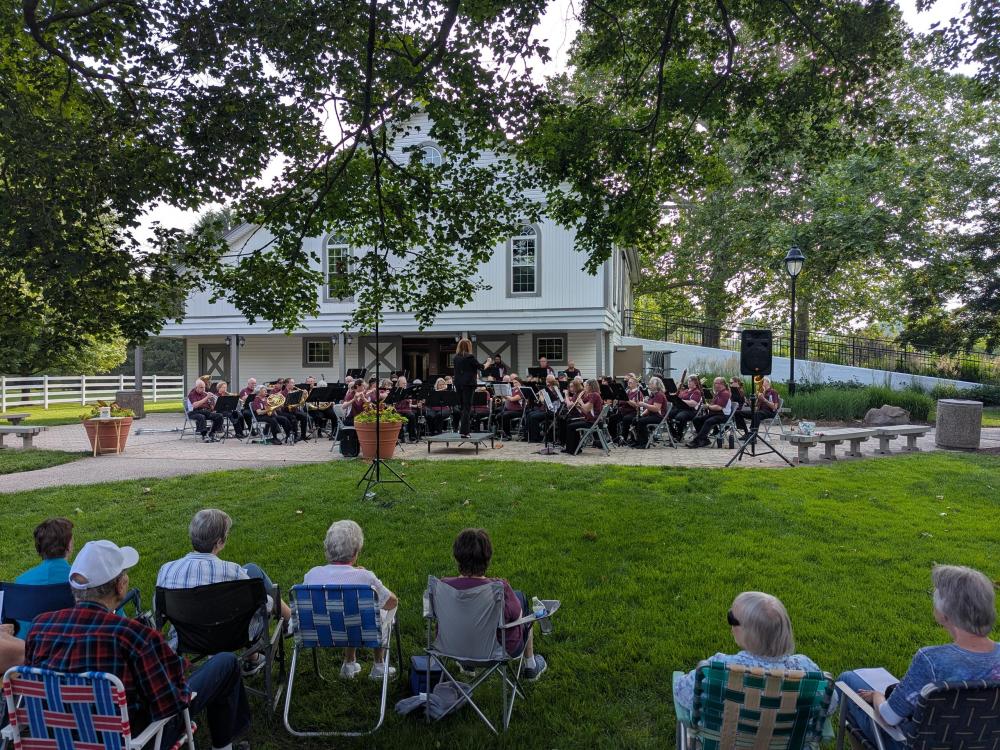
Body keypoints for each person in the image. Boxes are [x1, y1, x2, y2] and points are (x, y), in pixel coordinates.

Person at [26, 540, 250, 750]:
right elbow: (171, 703)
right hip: (133, 741)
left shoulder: (39, 627)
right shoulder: (133, 636)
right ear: (120, 586)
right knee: (225, 662)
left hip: (57, 738)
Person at [838, 565, 1000, 750]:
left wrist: (877, 696)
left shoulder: (931, 660)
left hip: (909, 743)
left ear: (944, 612)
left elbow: (889, 717)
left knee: (847, 680)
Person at [157, 509, 292, 675]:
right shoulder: (233, 572)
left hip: (187, 637)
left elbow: (159, 609)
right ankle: (288, 622)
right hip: (232, 635)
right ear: (220, 542)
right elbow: (265, 605)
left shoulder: (167, 570)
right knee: (253, 582)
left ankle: (255, 657)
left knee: (249, 576)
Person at [673, 592, 834, 719]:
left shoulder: (720, 667)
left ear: (748, 632)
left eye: (731, 618)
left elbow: (682, 692)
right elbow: (831, 704)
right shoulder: (805, 668)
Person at [442, 529, 547, 680]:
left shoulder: (443, 587)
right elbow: (518, 618)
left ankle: (467, 664)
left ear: (457, 556)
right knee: (521, 600)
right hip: (497, 652)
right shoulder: (500, 589)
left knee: (467, 611)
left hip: (452, 648)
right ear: (487, 557)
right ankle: (530, 665)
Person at [302, 520, 398, 680]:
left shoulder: (312, 575)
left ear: (327, 549)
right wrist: (367, 574)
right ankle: (379, 665)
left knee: (342, 609)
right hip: (361, 630)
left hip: (321, 633)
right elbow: (392, 602)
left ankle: (349, 663)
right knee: (376, 610)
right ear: (355, 553)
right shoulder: (365, 577)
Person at [13, 517, 75, 636]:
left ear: (39, 548)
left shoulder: (21, 582)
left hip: (30, 648)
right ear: (69, 545)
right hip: (73, 647)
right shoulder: (82, 580)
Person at [687, 377, 732, 448]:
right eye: (714, 383)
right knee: (696, 419)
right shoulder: (718, 393)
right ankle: (704, 440)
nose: (714, 385)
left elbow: (719, 407)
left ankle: (696, 441)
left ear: (722, 384)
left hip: (723, 415)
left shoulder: (725, 393)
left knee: (708, 421)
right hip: (716, 414)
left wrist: (708, 406)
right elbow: (714, 406)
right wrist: (707, 405)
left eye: (716, 383)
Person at [563, 378, 603, 454]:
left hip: (591, 422)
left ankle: (573, 449)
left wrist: (580, 401)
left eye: (586, 386)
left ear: (590, 386)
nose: (584, 388)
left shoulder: (594, 395)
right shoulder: (594, 395)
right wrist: (578, 406)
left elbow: (587, 409)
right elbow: (585, 411)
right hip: (591, 420)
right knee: (571, 423)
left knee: (570, 426)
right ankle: (573, 448)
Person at [453, 338, 481, 439]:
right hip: (468, 385)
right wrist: (488, 362)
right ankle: (465, 432)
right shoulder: (470, 357)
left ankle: (463, 430)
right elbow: (481, 367)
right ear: (468, 346)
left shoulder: (456, 358)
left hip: (458, 384)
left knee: (462, 407)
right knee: (467, 408)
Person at [631, 376, 667, 448]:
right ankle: (637, 441)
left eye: (651, 384)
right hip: (652, 415)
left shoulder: (659, 395)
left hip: (658, 417)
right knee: (635, 420)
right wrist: (642, 414)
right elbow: (649, 408)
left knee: (641, 422)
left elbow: (656, 408)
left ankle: (644, 443)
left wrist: (644, 404)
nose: (649, 385)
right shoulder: (653, 394)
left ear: (656, 385)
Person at [669, 375, 703, 442]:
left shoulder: (697, 392)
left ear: (695, 382)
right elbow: (678, 398)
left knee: (679, 417)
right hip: (680, 409)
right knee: (666, 415)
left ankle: (679, 434)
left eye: (690, 381)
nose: (688, 382)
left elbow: (693, 403)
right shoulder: (685, 390)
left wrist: (681, 401)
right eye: (688, 380)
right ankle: (674, 433)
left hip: (690, 411)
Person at [498, 376, 525, 441]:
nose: (515, 384)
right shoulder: (512, 390)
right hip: (510, 410)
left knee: (505, 415)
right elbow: (508, 398)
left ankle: (508, 435)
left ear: (520, 383)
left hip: (518, 411)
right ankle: (504, 433)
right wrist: (502, 396)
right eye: (514, 383)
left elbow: (512, 399)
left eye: (516, 382)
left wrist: (504, 394)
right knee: (498, 416)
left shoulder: (522, 390)